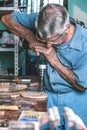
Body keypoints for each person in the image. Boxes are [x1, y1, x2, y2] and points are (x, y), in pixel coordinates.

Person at [1, 3, 87, 130]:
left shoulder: (84, 43)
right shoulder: (44, 18)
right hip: (48, 96)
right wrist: (30, 37)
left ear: (67, 28)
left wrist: (52, 58)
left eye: (52, 41)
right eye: (42, 40)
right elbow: (6, 19)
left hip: (76, 100)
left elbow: (82, 85)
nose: (47, 46)